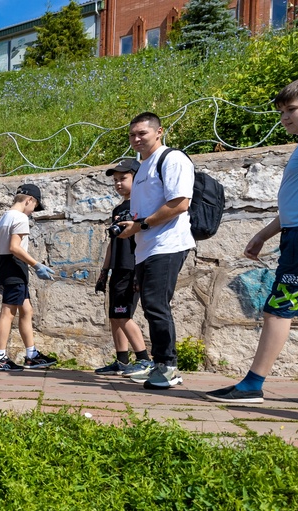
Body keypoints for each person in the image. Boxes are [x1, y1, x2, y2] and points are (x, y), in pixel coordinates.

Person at [207, 78, 298, 404]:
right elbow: (296, 203)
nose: (285, 117)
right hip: (295, 233)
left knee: (278, 309)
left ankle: (252, 385)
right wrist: (264, 234)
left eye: (292, 109)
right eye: (281, 112)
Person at [115, 112, 195, 390]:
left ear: (159, 132)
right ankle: (157, 365)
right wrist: (135, 227)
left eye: (142, 134)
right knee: (152, 306)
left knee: (156, 305)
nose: (136, 139)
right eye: (132, 135)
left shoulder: (171, 159)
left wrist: (141, 225)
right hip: (147, 248)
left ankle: (167, 367)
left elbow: (180, 203)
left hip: (168, 244)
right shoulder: (142, 167)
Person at [93, 158, 154, 376]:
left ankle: (145, 360)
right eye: (115, 180)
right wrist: (104, 271)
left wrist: (139, 271)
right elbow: (113, 242)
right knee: (114, 315)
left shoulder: (142, 205)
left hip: (131, 268)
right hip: (118, 268)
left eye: (123, 178)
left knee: (123, 314)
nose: (118, 183)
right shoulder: (119, 208)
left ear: (137, 178)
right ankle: (122, 361)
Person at [0, 183, 56, 371]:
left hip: (5, 267)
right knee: (7, 312)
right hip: (15, 267)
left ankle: (31, 355)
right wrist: (36, 265)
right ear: (29, 200)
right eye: (34, 207)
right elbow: (15, 247)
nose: (32, 212)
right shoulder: (20, 217)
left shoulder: (3, 218)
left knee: (26, 311)